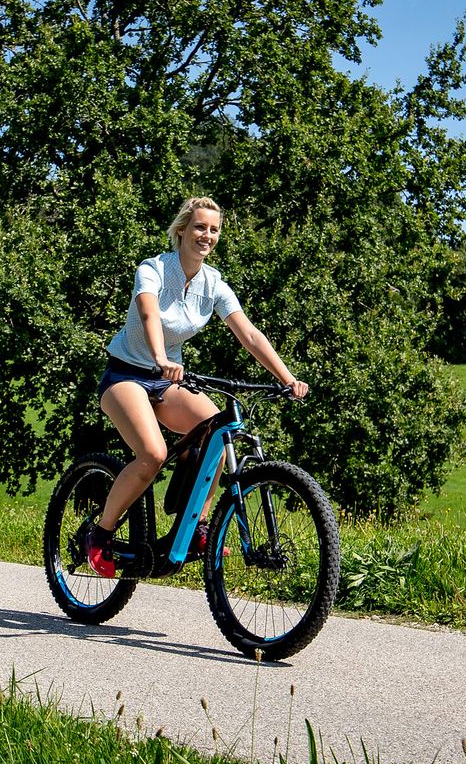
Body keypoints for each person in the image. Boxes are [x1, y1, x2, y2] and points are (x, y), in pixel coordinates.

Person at [82, 197, 308, 577]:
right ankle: (99, 534)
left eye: (214, 229)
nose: (207, 235)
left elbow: (249, 333)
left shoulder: (213, 283)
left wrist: (286, 378)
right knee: (152, 455)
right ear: (182, 230)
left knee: (220, 434)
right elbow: (148, 312)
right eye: (201, 227)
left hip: (167, 378)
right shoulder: (154, 269)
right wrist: (160, 356)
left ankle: (197, 528)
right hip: (127, 374)